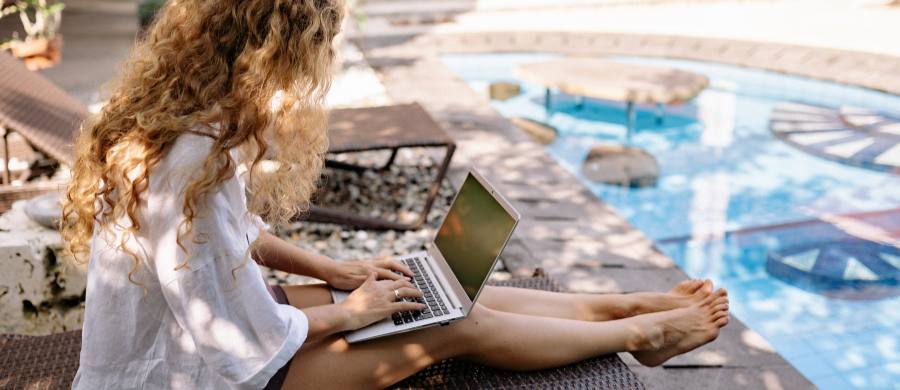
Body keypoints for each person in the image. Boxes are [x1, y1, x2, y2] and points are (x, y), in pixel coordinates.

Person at [62, 0, 730, 388]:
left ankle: (619, 306)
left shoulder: (191, 123)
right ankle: (645, 330)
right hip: (195, 380)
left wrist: (338, 272)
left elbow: (232, 241)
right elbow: (237, 345)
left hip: (199, 348)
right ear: (271, 55)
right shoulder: (191, 157)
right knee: (451, 326)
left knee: (428, 288)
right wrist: (350, 313)